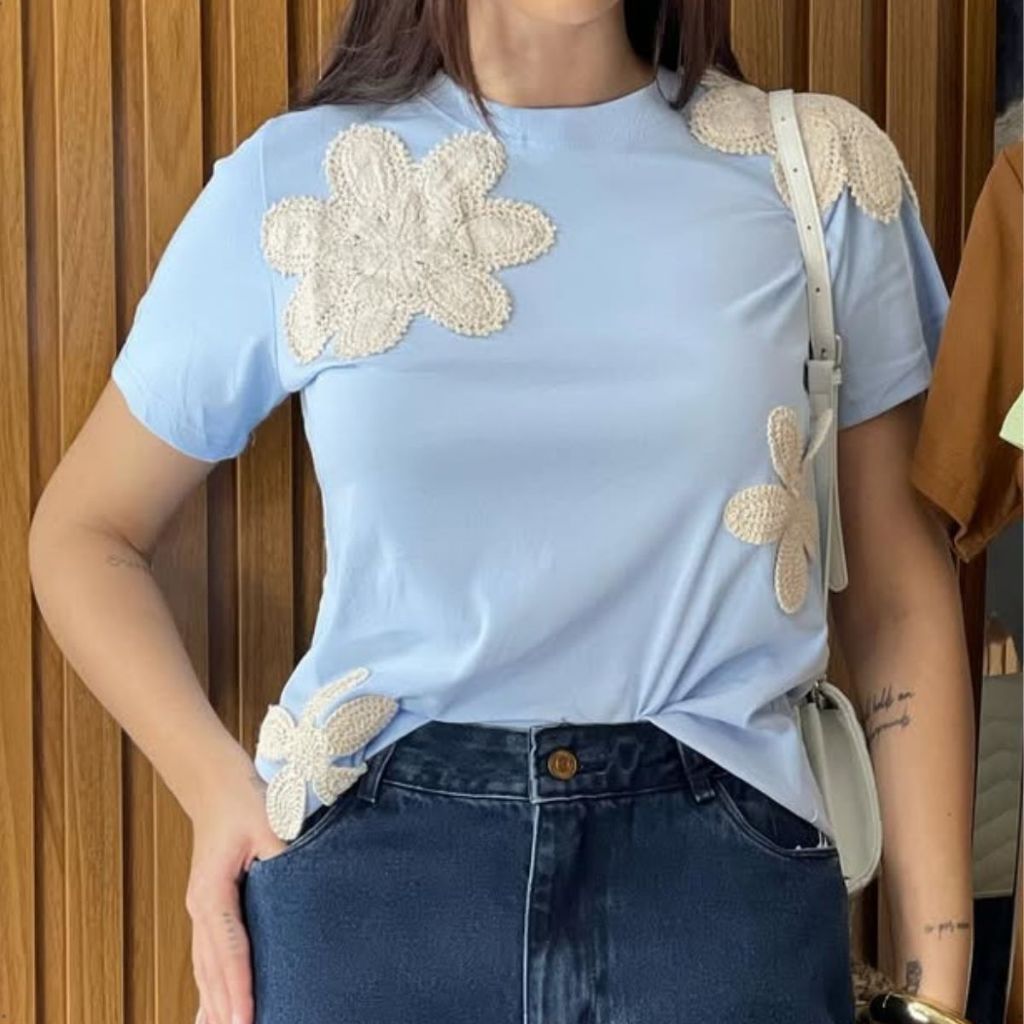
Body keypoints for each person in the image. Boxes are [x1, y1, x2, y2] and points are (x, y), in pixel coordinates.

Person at [26, 2, 976, 1021]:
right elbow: (84, 533)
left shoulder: (816, 177)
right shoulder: (300, 181)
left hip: (718, 901)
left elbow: (896, 597)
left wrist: (936, 999)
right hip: (369, 904)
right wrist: (214, 788)